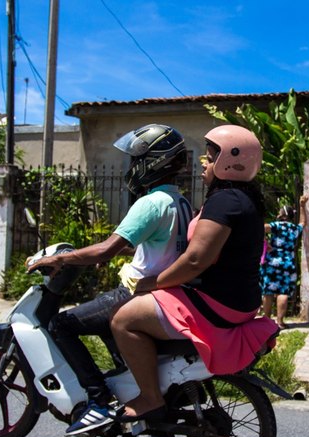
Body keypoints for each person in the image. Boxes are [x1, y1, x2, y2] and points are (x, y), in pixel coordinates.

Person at [27, 124, 192, 436]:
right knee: (98, 320)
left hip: (135, 293)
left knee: (61, 325)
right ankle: (125, 384)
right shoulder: (179, 202)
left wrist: (60, 258)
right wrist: (122, 250)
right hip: (161, 293)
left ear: (153, 162)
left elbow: (106, 248)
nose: (132, 166)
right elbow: (157, 243)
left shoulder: (150, 203)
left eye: (137, 159)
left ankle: (98, 400)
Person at [110, 125, 280, 421]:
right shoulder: (242, 198)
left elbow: (195, 261)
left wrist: (151, 283)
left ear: (231, 160)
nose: (204, 162)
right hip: (236, 301)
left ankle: (150, 397)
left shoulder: (225, 201)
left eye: (211, 157)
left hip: (217, 303)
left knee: (123, 319)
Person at [260, 195, 308, 329]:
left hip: (272, 261)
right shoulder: (293, 229)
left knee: (268, 291)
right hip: (288, 262)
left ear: (282, 215)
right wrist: (302, 206)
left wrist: (266, 242)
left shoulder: (276, 226)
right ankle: (280, 322)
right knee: (283, 292)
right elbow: (303, 223)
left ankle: (266, 320)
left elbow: (260, 228)